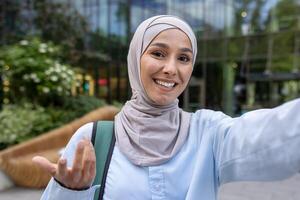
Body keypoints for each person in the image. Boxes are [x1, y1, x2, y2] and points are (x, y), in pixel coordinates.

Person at [33, 15, 300, 200]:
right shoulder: (92, 140)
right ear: (136, 58)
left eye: (183, 58)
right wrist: (68, 191)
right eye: (158, 53)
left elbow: (274, 138)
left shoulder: (208, 134)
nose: (171, 69)